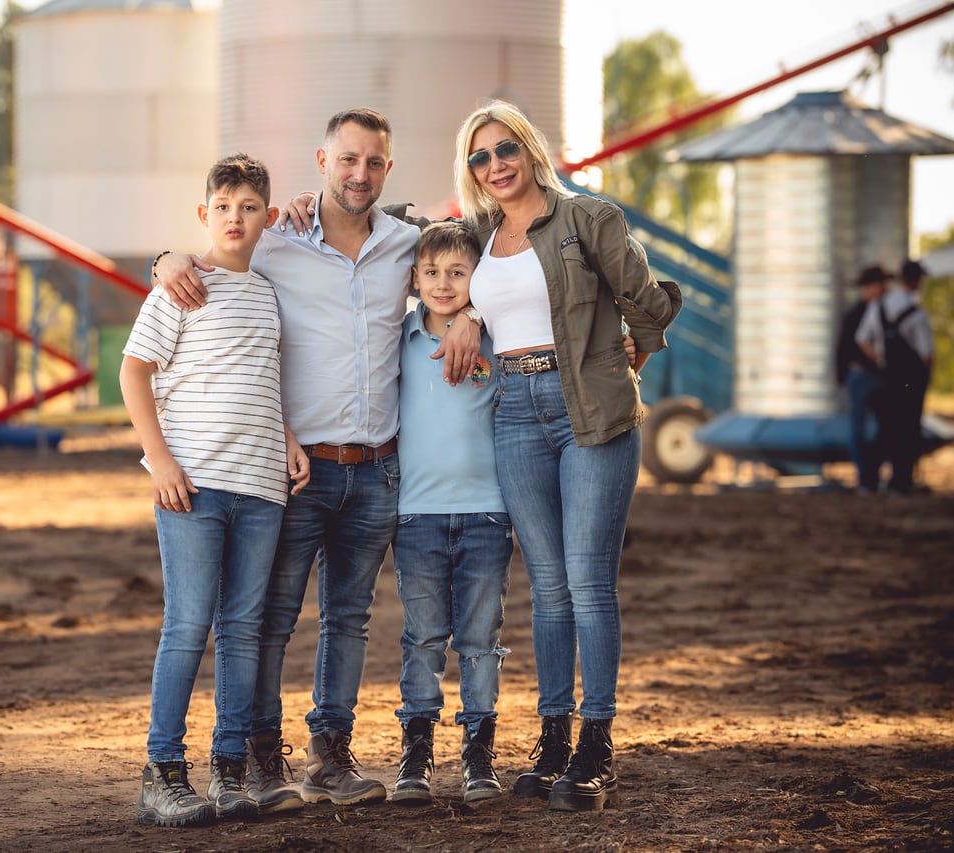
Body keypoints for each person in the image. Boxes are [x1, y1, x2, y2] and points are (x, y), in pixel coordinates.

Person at [150, 109, 484, 812]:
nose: (359, 173)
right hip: (294, 470)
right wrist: (165, 259)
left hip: (377, 469)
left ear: (387, 171)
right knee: (269, 617)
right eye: (346, 159)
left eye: (373, 162)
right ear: (323, 162)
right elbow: (216, 249)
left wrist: (475, 316)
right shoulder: (276, 238)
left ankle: (329, 754)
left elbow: (467, 270)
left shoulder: (406, 244)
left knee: (348, 617)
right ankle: (261, 758)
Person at [452, 100, 681, 813]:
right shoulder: (479, 235)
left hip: (590, 409)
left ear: (529, 147)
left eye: (504, 149)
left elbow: (652, 298)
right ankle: (553, 737)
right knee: (546, 583)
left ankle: (596, 744)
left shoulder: (590, 218)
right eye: (480, 157)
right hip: (514, 410)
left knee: (587, 580)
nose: (495, 165)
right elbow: (408, 243)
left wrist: (637, 348)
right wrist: (463, 313)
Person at [121, 153, 311, 828]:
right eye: (223, 207)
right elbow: (134, 371)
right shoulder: (181, 284)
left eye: (249, 207)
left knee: (242, 629)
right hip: (193, 488)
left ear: (266, 216)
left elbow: (260, 376)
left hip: (261, 490)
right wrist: (159, 459)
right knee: (190, 624)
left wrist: (286, 434)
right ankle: (162, 771)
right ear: (205, 215)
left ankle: (229, 769)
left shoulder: (265, 293)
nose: (235, 218)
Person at [389, 222, 514, 806]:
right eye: (431, 272)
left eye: (458, 272)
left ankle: (478, 755)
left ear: (477, 279)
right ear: (414, 278)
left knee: (480, 639)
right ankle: (416, 756)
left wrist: (482, 317)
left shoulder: (496, 343)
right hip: (417, 516)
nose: (444, 284)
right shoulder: (400, 339)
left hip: (486, 514)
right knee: (422, 638)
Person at [855, 258, 934, 495]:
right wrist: (925, 377)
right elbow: (926, 354)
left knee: (886, 428)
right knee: (908, 429)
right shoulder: (916, 313)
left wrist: (881, 361)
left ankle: (869, 481)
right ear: (916, 281)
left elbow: (862, 339)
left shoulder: (878, 307)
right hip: (910, 380)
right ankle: (900, 482)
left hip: (888, 376)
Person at [834, 265, 889, 493]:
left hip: (878, 377)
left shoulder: (884, 311)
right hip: (862, 376)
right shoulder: (856, 314)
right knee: (858, 429)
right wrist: (842, 377)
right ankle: (865, 477)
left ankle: (872, 474)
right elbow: (844, 347)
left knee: (883, 426)